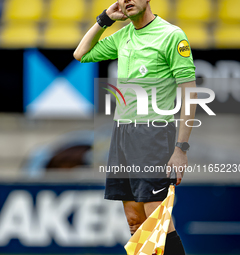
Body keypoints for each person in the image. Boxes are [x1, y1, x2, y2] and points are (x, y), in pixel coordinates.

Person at [73, 1, 198, 254]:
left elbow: (190, 93)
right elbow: (81, 54)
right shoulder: (123, 34)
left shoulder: (171, 35)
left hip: (152, 134)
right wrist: (105, 18)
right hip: (122, 132)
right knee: (134, 221)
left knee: (157, 222)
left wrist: (181, 148)